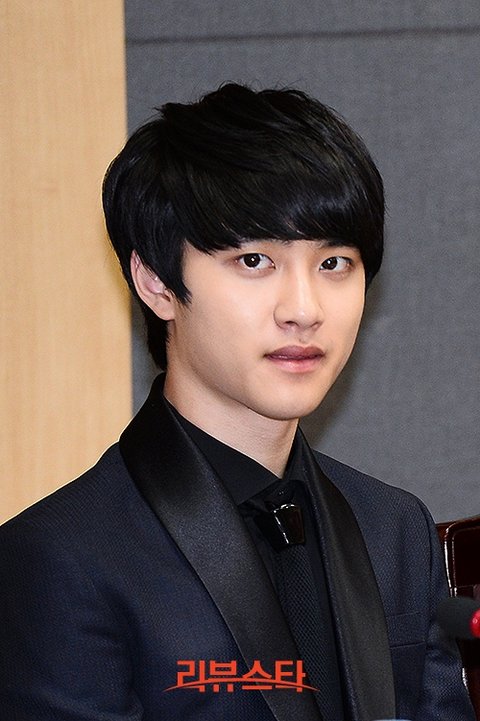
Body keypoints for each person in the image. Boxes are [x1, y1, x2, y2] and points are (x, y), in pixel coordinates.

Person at [0, 83, 474, 721]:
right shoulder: (62, 557)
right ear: (156, 283)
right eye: (254, 261)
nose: (303, 310)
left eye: (335, 263)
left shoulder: (394, 528)